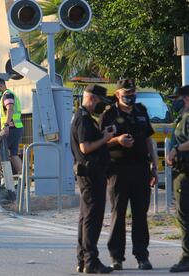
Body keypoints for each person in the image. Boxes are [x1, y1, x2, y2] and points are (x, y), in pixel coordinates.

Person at [100, 79, 157, 270]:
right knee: (118, 213)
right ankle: (116, 257)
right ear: (117, 94)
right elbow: (100, 142)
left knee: (141, 214)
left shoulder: (141, 111)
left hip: (141, 168)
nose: (130, 95)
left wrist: (155, 167)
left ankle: (142, 256)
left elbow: (149, 139)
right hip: (118, 169)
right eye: (126, 92)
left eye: (133, 91)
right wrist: (117, 139)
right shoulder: (109, 114)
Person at [71, 84, 114, 274]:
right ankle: (90, 261)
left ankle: (83, 259)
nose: (102, 107)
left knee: (85, 217)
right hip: (90, 174)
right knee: (92, 219)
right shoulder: (84, 119)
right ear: (92, 99)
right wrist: (105, 138)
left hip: (91, 173)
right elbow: (85, 147)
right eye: (100, 102)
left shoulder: (85, 118)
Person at [167, 85, 189, 273]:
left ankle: (187, 256)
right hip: (181, 172)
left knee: (185, 216)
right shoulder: (182, 116)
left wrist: (176, 150)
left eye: (178, 98)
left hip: (186, 175)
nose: (175, 101)